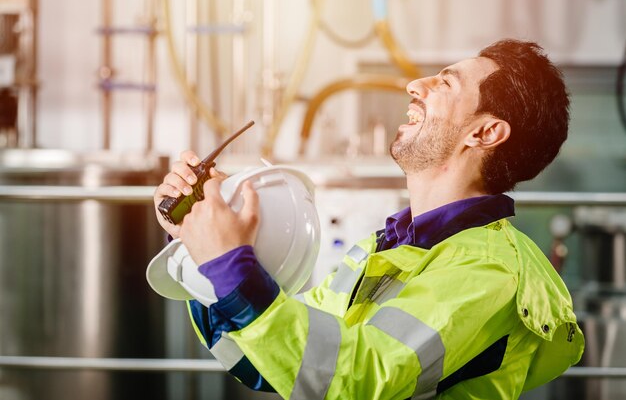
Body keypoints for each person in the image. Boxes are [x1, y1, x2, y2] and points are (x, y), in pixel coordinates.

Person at [153, 39, 584, 399]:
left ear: (485, 133)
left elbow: (357, 381)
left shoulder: (489, 270)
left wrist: (229, 262)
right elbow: (274, 364)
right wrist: (201, 244)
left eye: (446, 83)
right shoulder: (384, 249)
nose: (416, 84)